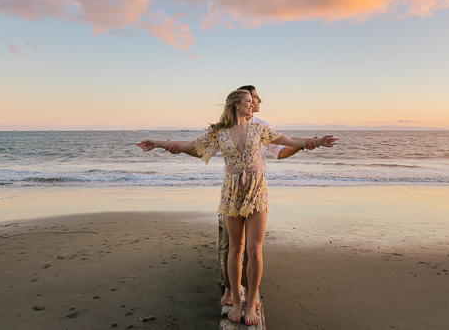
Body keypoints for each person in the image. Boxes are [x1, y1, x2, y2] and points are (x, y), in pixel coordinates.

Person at [136, 89, 337, 325]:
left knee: (255, 250)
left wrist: (317, 142)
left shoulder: (260, 129)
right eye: (248, 102)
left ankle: (251, 302)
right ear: (235, 105)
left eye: (252, 102)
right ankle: (237, 302)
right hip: (232, 192)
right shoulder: (218, 132)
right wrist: (158, 144)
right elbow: (190, 146)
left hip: (257, 190)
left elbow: (288, 141)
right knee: (235, 248)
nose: (252, 105)